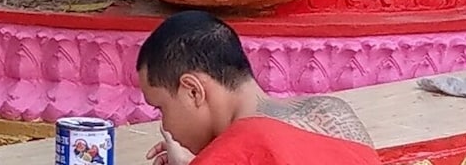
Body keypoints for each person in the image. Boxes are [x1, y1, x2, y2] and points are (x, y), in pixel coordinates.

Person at [138, 11, 381, 165]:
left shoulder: (230, 155)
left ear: (193, 91)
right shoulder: (333, 111)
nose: (165, 126)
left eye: (161, 108)